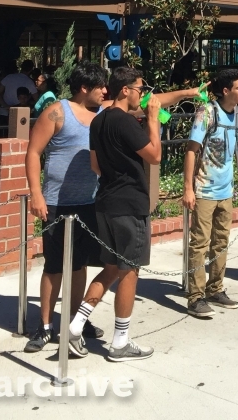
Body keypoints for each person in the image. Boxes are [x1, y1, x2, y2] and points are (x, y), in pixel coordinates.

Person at [67, 66, 161, 361]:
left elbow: (96, 166)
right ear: (126, 90)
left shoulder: (98, 121)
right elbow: (155, 156)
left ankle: (76, 323)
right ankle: (120, 341)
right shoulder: (125, 122)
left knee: (110, 267)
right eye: (140, 89)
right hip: (129, 204)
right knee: (130, 270)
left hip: (105, 202)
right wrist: (154, 120)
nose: (142, 95)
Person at [23, 61, 110, 351]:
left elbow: (141, 102)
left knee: (80, 264)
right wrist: (36, 194)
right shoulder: (56, 112)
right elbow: (33, 152)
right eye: (100, 86)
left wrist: (187, 92)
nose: (104, 91)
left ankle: (75, 321)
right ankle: (45, 325)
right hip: (57, 202)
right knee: (54, 266)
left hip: (89, 202)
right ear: (84, 88)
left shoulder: (101, 112)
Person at [181, 69, 238, 318]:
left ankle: (215, 288)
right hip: (204, 189)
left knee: (221, 241)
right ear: (226, 91)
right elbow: (191, 149)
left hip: (226, 190)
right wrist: (188, 188)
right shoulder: (207, 112)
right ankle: (195, 296)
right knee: (200, 243)